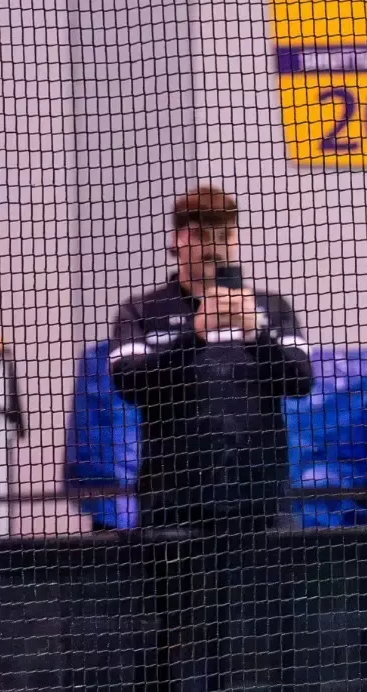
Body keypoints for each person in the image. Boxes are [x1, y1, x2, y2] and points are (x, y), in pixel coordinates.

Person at [109, 185, 313, 531]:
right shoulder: (142, 311)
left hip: (261, 501)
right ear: (176, 241)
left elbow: (300, 381)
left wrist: (256, 336)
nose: (213, 245)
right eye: (201, 234)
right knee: (171, 587)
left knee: (275, 585)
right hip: (171, 504)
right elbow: (130, 384)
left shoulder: (270, 309)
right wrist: (195, 336)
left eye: (224, 234)